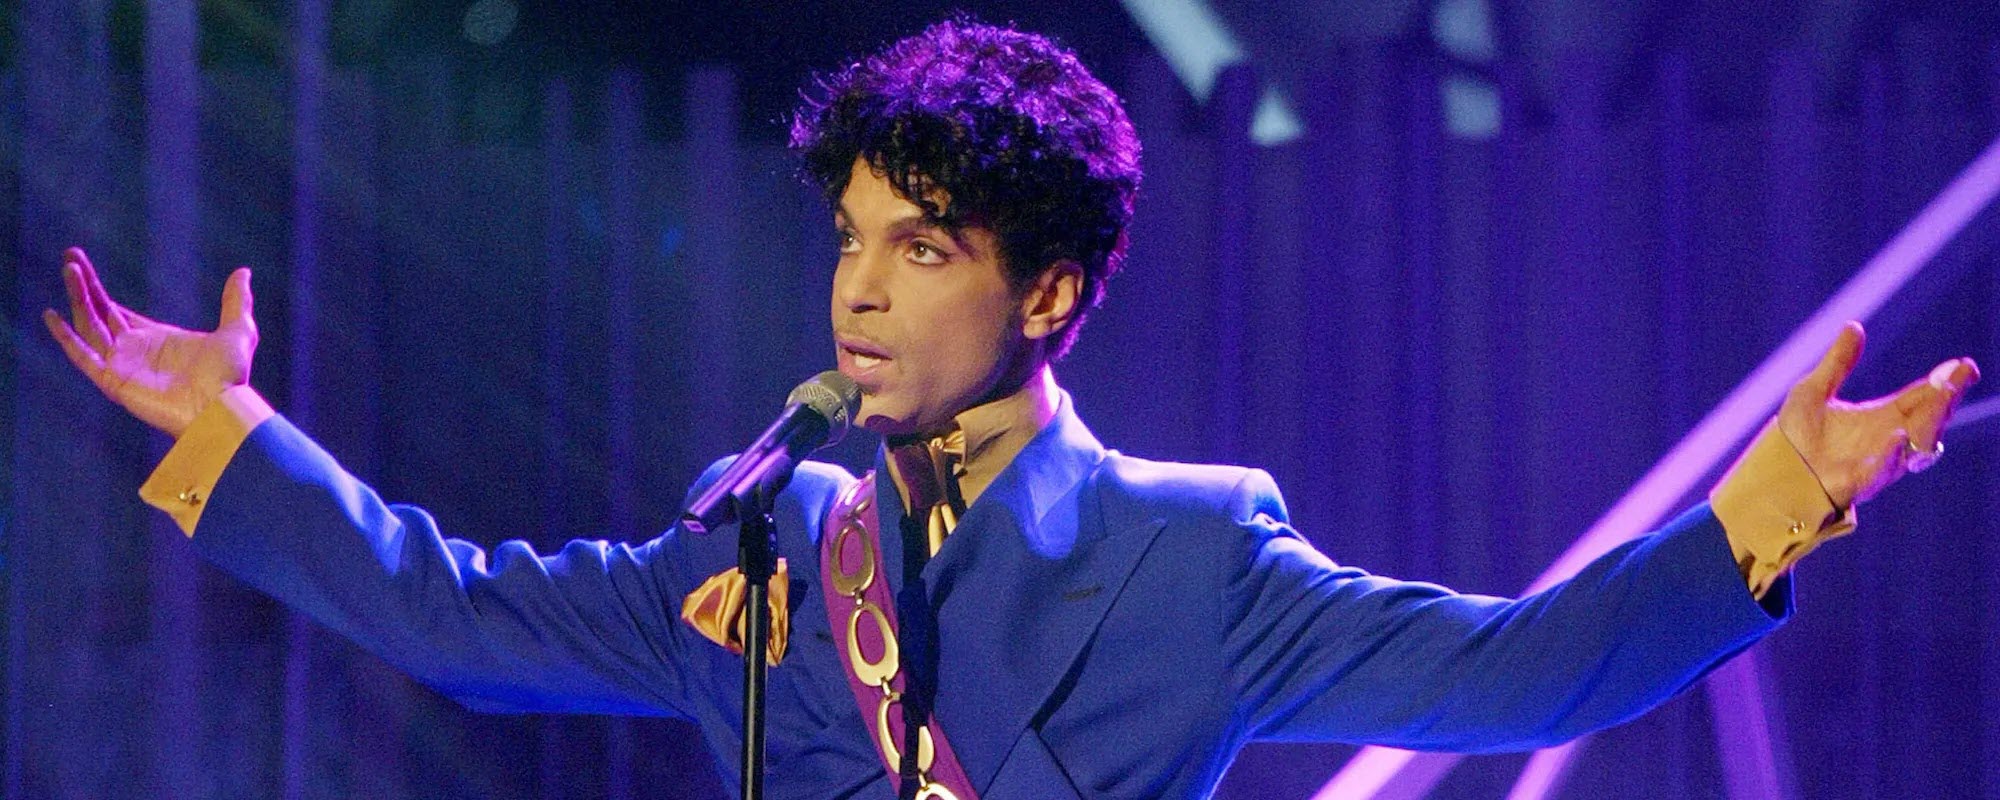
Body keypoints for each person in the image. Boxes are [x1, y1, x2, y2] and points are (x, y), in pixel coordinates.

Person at [42, 18, 1980, 800]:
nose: (862, 288)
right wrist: (229, 437)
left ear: (1047, 291)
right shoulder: (770, 527)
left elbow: (1522, 676)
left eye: (925, 246)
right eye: (851, 238)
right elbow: (453, 615)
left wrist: (1773, 502)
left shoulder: (1190, 553)